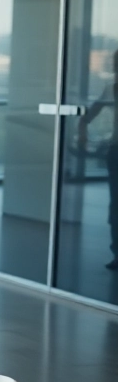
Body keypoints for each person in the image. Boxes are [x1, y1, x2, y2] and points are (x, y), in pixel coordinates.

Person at [79, 49, 117, 268]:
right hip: (116, 151)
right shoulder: (110, 89)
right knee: (116, 205)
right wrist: (83, 130)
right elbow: (88, 116)